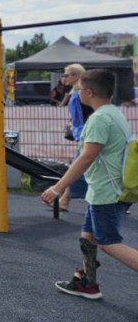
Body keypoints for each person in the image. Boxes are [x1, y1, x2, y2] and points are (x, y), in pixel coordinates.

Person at [39, 69, 136, 300]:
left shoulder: (99, 119)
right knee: (88, 237)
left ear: (89, 92)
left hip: (107, 192)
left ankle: (88, 282)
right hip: (105, 189)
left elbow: (86, 157)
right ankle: (88, 283)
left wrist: (57, 187)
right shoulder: (114, 113)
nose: (77, 93)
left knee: (108, 243)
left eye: (79, 89)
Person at [59, 63, 92, 211]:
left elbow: (84, 114)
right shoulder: (78, 92)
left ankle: (64, 199)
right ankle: (64, 200)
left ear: (75, 76)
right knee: (79, 166)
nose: (63, 78)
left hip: (88, 134)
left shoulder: (81, 93)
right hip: (86, 133)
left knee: (77, 167)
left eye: (66, 75)